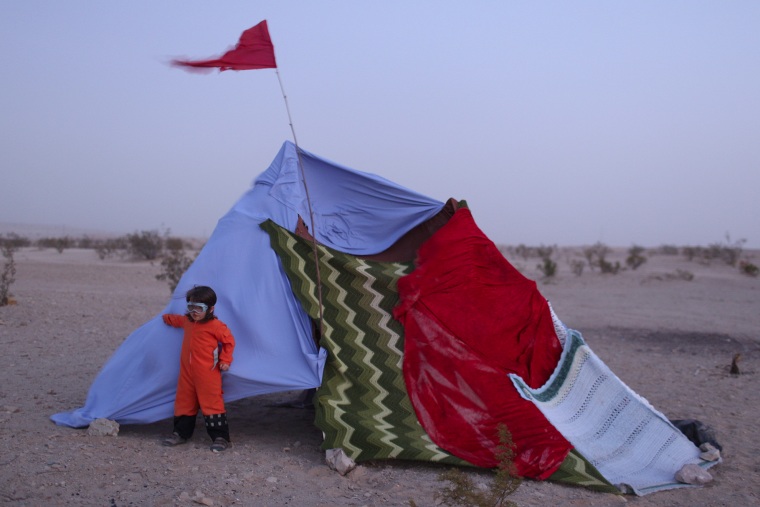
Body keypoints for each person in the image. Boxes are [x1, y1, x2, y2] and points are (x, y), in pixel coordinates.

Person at [161, 285, 236, 452]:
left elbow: (229, 342)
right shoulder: (188, 321)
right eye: (190, 306)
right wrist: (165, 318)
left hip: (208, 373)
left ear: (210, 309)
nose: (194, 311)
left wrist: (225, 360)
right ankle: (180, 433)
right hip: (187, 374)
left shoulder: (216, 326)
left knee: (212, 403)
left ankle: (221, 437)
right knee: (184, 402)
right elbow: (177, 320)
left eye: (199, 308)